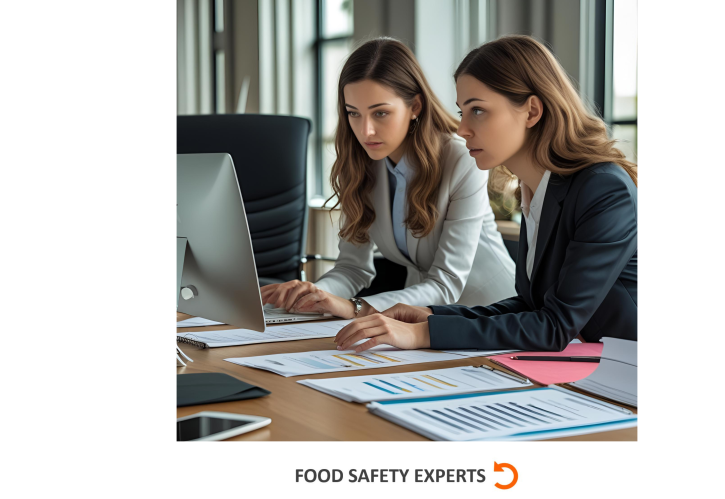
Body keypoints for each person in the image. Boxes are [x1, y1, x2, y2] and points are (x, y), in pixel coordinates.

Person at [334, 35, 637, 352]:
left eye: (477, 110)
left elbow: (555, 325)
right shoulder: (537, 188)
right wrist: (432, 316)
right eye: (462, 111)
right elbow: (530, 305)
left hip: (624, 384)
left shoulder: (604, 189)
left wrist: (423, 334)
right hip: (585, 373)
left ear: (532, 111)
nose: (462, 128)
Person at [261, 38, 516, 319]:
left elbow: (446, 283)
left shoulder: (460, 159)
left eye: (380, 113)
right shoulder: (362, 165)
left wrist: (355, 307)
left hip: (493, 314)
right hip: (421, 316)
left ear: (415, 106)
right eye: (353, 114)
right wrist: (313, 296)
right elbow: (352, 268)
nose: (366, 130)